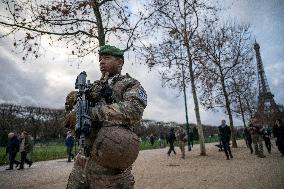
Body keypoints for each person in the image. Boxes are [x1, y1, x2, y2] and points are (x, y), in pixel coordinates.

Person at [65, 45, 147, 188]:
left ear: (120, 62)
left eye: (107, 58)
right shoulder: (94, 87)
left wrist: (91, 113)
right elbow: (78, 106)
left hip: (110, 168)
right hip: (82, 162)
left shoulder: (130, 84)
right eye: (100, 59)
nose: (101, 62)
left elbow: (133, 110)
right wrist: (74, 105)